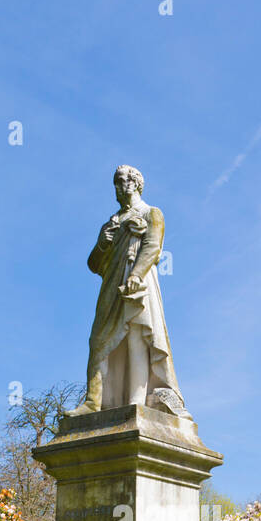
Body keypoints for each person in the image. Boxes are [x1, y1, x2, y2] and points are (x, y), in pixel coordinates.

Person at [69, 165, 190, 417]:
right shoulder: (111, 222)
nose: (118, 187)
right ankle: (94, 401)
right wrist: (102, 244)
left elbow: (153, 246)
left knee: (136, 333)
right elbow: (94, 264)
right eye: (115, 182)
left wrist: (136, 274)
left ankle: (137, 400)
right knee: (99, 342)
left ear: (136, 183)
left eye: (123, 181)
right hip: (111, 286)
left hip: (139, 281)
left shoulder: (151, 213)